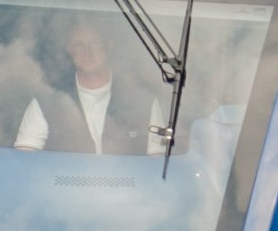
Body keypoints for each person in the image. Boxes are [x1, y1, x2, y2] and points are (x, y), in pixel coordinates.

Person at [14, 15, 167, 155]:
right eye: (79, 45)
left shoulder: (142, 100)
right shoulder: (47, 100)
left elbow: (157, 159)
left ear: (108, 46)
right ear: (69, 49)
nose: (87, 52)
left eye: (94, 43)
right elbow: (25, 157)